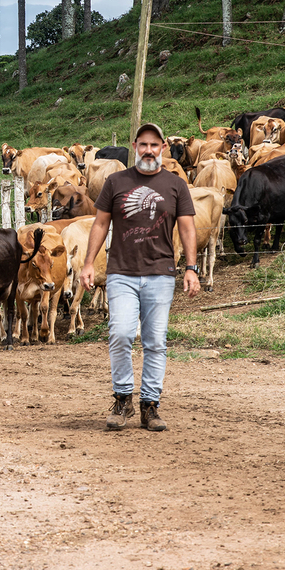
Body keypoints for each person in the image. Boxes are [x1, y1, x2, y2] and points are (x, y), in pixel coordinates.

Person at [79, 122, 199, 432]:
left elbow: (186, 227)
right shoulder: (115, 182)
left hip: (160, 273)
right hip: (121, 272)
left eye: (154, 145)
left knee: (155, 341)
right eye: (143, 144)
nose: (148, 150)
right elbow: (99, 224)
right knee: (120, 333)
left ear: (162, 149)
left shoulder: (175, 185)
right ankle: (122, 399)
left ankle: (150, 405)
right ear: (135, 147)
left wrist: (191, 268)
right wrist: (89, 263)